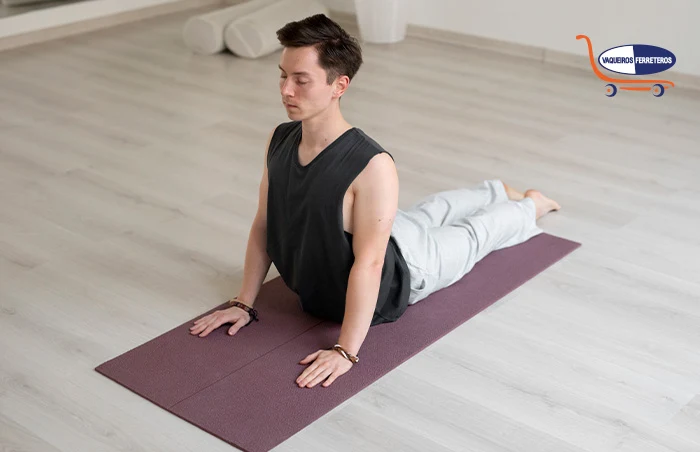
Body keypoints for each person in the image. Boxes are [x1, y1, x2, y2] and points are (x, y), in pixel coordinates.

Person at [189, 14, 561, 388]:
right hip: (380, 232)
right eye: (283, 76)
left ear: (340, 85)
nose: (286, 90)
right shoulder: (280, 138)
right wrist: (242, 303)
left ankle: (532, 204)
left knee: (473, 234)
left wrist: (346, 351)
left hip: (408, 268)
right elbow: (264, 224)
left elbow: (369, 264)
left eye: (301, 80)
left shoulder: (373, 165)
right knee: (427, 213)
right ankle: (494, 188)